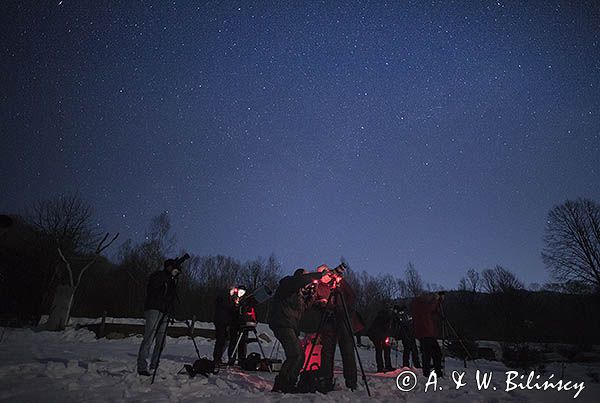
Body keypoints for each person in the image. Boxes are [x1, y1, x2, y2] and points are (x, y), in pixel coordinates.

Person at [268, 268, 325, 393]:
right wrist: (319, 275)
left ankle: (284, 383)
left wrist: (312, 294)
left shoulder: (298, 294)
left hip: (289, 324)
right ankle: (285, 384)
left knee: (296, 356)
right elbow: (300, 281)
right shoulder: (287, 284)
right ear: (299, 276)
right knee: (296, 355)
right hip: (282, 322)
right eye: (305, 276)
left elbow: (304, 308)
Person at [313, 265, 358, 392]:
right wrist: (320, 303)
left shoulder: (339, 282)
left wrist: (344, 309)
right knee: (327, 351)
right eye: (321, 273)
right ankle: (326, 379)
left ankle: (351, 381)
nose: (324, 275)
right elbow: (313, 301)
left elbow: (351, 296)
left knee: (347, 349)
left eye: (325, 272)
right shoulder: (318, 286)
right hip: (327, 319)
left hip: (342, 318)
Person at [137, 259, 180, 376]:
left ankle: (154, 365)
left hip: (164, 311)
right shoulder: (158, 276)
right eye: (173, 268)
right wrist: (169, 278)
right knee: (149, 337)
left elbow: (171, 295)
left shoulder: (171, 280)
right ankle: (142, 366)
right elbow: (155, 290)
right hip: (154, 309)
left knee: (161, 341)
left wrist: (173, 281)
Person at [411, 292, 444, 378]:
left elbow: (433, 309)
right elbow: (430, 308)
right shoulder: (420, 305)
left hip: (428, 333)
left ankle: (436, 372)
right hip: (425, 333)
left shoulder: (422, 305)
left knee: (435, 353)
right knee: (428, 354)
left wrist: (438, 301)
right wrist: (436, 299)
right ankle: (428, 373)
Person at [212, 287, 241, 366]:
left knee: (227, 340)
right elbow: (228, 309)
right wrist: (235, 305)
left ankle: (225, 359)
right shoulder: (223, 299)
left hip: (225, 322)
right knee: (221, 340)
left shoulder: (225, 299)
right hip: (222, 322)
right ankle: (218, 359)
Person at [367, 307, 395, 373]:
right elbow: (385, 328)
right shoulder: (385, 318)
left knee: (383, 350)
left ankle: (383, 366)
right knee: (382, 350)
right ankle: (383, 367)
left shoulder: (380, 317)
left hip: (377, 335)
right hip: (378, 335)